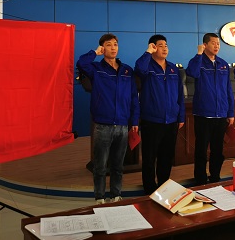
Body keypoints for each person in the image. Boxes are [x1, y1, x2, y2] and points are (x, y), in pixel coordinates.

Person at [76, 33, 139, 204]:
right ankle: (100, 197)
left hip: (123, 125)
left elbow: (133, 97)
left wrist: (134, 121)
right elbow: (81, 63)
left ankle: (116, 195)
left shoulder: (127, 70)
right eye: (109, 45)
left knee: (118, 165)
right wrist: (94, 53)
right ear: (103, 48)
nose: (113, 48)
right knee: (100, 166)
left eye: (115, 44)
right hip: (103, 125)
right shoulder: (96, 68)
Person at [134, 34, 185, 195]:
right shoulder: (147, 66)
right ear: (153, 47)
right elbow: (139, 69)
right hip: (152, 120)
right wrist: (147, 52)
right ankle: (149, 189)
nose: (164, 48)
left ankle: (164, 187)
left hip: (171, 120)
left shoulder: (173, 68)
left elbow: (180, 95)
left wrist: (181, 116)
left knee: (166, 157)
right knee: (149, 157)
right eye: (160, 45)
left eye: (166, 45)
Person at [186, 33, 234, 185]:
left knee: (217, 150)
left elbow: (228, 89)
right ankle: (200, 179)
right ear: (205, 45)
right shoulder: (198, 62)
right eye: (213, 43)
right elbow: (192, 72)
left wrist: (230, 112)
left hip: (221, 114)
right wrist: (199, 54)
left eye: (218, 43)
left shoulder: (223, 64)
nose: (217, 46)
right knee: (201, 150)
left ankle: (215, 177)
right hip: (203, 114)